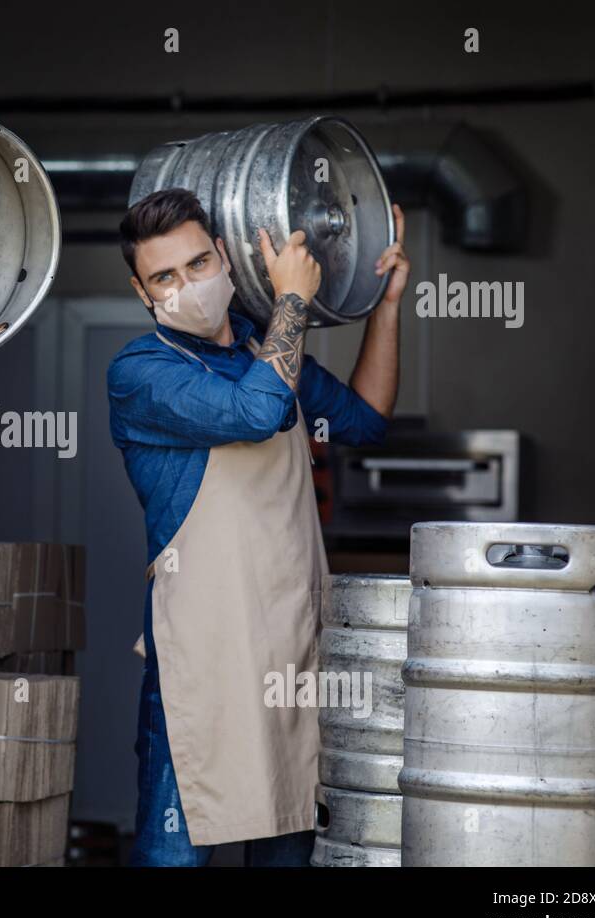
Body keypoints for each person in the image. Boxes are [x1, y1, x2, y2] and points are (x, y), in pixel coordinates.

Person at [107, 187, 409, 866]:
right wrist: (293, 301)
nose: (187, 285)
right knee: (173, 856)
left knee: (286, 849)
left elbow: (365, 418)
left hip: (289, 653)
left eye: (197, 264)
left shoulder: (266, 351)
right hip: (200, 661)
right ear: (141, 290)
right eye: (164, 277)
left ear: (224, 256)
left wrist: (385, 305)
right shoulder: (140, 372)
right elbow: (254, 413)